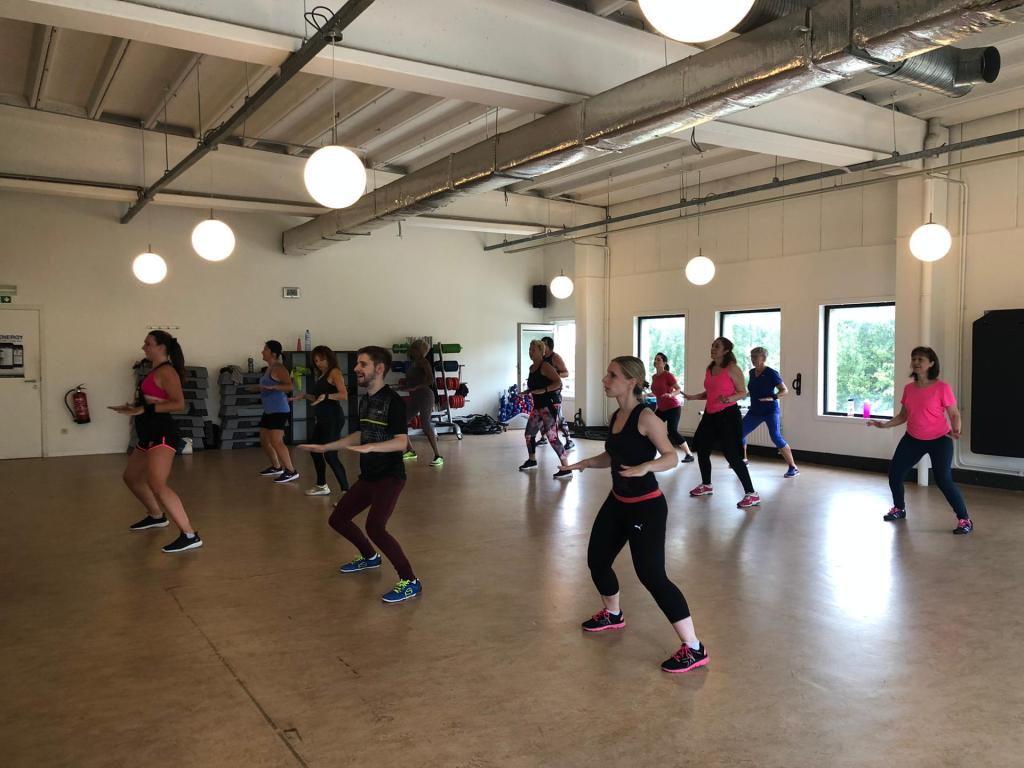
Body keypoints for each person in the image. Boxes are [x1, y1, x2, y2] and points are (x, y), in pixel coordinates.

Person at [564, 356, 708, 674]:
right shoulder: (617, 415)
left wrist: (646, 467)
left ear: (631, 382)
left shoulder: (646, 417)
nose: (605, 380)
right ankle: (613, 614)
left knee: (652, 576)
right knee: (598, 560)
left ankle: (694, 647)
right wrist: (585, 463)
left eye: (612, 375)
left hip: (646, 506)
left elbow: (670, 457)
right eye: (607, 374)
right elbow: (612, 454)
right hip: (618, 502)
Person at [300, 346, 422, 603]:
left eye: (362, 364)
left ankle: (411, 581)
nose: (356, 368)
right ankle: (370, 557)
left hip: (390, 476)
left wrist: (372, 446)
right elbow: (359, 434)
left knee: (375, 527)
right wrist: (326, 447)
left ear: (379, 369)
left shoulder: (394, 402)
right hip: (369, 475)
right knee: (338, 519)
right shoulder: (365, 399)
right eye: (357, 363)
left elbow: (402, 442)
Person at [110, 331, 201, 553]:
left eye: (148, 344)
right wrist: (134, 407)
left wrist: (145, 408)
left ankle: (190, 535)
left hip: (162, 433)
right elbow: (153, 401)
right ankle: (156, 515)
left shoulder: (167, 371)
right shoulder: (154, 371)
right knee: (131, 477)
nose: (144, 347)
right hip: (148, 432)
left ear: (161, 347)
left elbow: (178, 403)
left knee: (157, 484)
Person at [867, 346, 974, 534]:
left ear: (931, 363)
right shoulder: (909, 389)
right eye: (914, 359)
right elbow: (903, 416)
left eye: (921, 359)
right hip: (913, 439)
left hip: (939, 439)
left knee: (943, 480)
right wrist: (884, 425)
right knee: (895, 475)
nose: (916, 362)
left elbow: (954, 413)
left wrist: (956, 429)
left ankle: (965, 520)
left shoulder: (942, 388)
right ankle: (899, 508)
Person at [683, 337, 759, 509]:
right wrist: (693, 397)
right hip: (710, 415)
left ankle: (751, 493)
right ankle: (706, 485)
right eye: (712, 345)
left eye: (717, 346)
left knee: (732, 455)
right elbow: (710, 392)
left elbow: (743, 392)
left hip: (728, 415)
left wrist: (729, 399)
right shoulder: (710, 368)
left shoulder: (732, 369)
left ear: (726, 350)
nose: (713, 348)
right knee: (702, 450)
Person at [292, 346, 350, 496]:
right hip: (322, 419)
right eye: (316, 360)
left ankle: (346, 491)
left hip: (333, 418)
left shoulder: (334, 372)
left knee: (330, 455)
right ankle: (321, 485)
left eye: (321, 359)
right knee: (314, 450)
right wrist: (304, 395)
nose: (319, 363)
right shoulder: (321, 375)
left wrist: (327, 396)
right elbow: (318, 398)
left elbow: (343, 395)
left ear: (329, 358)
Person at [741, 347, 799, 477]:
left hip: (770, 411)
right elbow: (754, 390)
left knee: (775, 437)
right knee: (739, 432)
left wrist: (773, 397)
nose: (752, 359)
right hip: (755, 411)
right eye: (751, 356)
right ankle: (743, 460)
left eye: (755, 356)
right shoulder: (751, 372)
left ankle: (793, 467)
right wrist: (742, 395)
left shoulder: (772, 373)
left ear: (763, 358)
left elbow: (784, 390)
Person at [520, 339, 571, 479]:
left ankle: (566, 468)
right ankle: (532, 460)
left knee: (552, 436)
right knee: (529, 434)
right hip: (538, 406)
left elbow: (558, 383)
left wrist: (544, 390)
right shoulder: (532, 368)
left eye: (533, 350)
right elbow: (535, 386)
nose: (530, 352)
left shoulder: (546, 366)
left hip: (549, 406)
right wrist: (527, 392)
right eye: (529, 350)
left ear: (541, 351)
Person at [254, 340, 298, 484]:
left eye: (265, 349)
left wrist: (272, 388)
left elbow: (289, 386)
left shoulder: (279, 368)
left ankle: (291, 471)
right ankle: (276, 467)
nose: (262, 352)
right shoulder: (270, 368)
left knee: (276, 441)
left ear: (273, 353)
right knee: (264, 440)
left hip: (279, 410)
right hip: (269, 410)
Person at [401, 339, 443, 467]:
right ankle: (411, 451)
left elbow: (431, 380)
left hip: (425, 396)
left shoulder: (424, 362)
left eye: (414, 349)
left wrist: (415, 388)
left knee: (425, 424)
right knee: (401, 422)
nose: (412, 351)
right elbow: (414, 380)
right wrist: (405, 385)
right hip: (415, 397)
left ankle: (438, 456)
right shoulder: (414, 363)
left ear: (419, 350)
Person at [650, 352, 696, 464]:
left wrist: (671, 395)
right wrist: (645, 395)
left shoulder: (668, 375)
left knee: (672, 431)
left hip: (673, 408)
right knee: (651, 427)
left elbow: (678, 389)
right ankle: (650, 453)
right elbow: (656, 393)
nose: (656, 361)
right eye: (655, 359)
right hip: (661, 409)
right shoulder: (654, 377)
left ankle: (689, 454)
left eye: (659, 359)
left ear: (664, 363)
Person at [542, 336, 574, 451]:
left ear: (548, 346)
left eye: (543, 344)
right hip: (544, 391)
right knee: (541, 414)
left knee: (558, 417)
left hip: (555, 392)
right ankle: (542, 438)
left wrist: (554, 374)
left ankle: (569, 440)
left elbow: (566, 373)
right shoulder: (541, 358)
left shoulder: (555, 358)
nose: (541, 346)